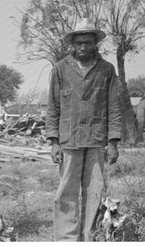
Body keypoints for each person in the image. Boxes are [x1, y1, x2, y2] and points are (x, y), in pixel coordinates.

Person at [46, 18, 122, 241]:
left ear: (95, 43)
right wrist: (54, 141)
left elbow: (114, 106)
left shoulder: (107, 69)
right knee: (66, 192)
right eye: (79, 43)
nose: (83, 47)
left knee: (95, 190)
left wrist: (113, 142)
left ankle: (91, 236)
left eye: (88, 42)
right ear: (73, 44)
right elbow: (53, 107)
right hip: (69, 139)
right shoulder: (60, 69)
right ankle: (66, 239)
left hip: (97, 139)